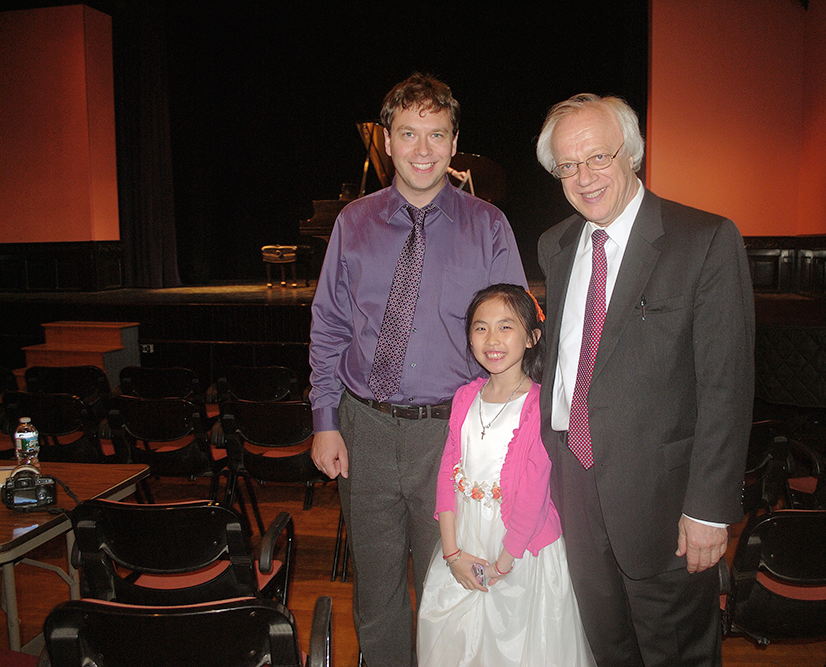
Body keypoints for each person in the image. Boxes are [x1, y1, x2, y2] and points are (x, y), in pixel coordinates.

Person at [309, 73, 526, 667]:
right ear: (387, 141)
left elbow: (514, 338)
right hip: (364, 430)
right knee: (377, 597)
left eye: (437, 134)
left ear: (456, 142)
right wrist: (325, 418)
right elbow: (328, 325)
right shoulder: (352, 223)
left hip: (452, 438)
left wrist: (503, 439)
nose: (423, 149)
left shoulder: (489, 227)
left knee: (451, 592)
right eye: (409, 133)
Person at [535, 93, 755, 666]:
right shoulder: (556, 245)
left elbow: (726, 386)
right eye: (568, 165)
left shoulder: (703, 240)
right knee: (609, 648)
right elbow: (566, 360)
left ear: (632, 154)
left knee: (677, 654)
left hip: (665, 502)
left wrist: (710, 507)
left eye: (599, 158)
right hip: (576, 485)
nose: (584, 178)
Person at [417, 283, 596, 667]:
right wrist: (451, 552)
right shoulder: (465, 397)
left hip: (519, 549)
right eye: (481, 327)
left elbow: (533, 496)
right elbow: (448, 474)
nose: (492, 339)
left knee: (516, 647)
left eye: (506, 327)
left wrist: (502, 565)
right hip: (462, 541)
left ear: (532, 337)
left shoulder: (538, 406)